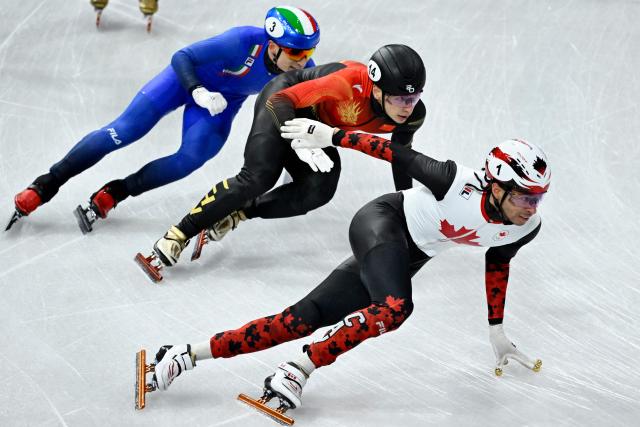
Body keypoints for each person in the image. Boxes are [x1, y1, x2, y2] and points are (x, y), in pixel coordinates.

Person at [142, 131, 550, 413]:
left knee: (298, 320)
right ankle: (300, 368)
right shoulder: (453, 181)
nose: (532, 207)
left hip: (406, 256)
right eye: (525, 196)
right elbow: (393, 152)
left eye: (539, 197)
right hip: (381, 222)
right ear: (496, 186)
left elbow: (498, 264)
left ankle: (184, 354)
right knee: (394, 308)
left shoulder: (527, 226)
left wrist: (496, 329)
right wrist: (331, 136)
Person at [8, 6, 320, 232]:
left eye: (309, 52)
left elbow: (302, 109)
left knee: (190, 160)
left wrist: (298, 153)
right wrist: (196, 90)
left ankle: (116, 191)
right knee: (123, 131)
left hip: (220, 103)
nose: (304, 61)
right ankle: (46, 184)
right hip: (180, 82)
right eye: (297, 54)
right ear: (274, 45)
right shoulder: (241, 41)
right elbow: (182, 57)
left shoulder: (301, 70)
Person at [143, 44, 428, 271]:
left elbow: (399, 157)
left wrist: (407, 209)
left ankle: (239, 212)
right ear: (376, 90)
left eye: (413, 99)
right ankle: (177, 235)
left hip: (316, 127)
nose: (407, 108)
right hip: (283, 100)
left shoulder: (412, 116)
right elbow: (281, 102)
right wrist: (300, 143)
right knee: (258, 177)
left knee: (320, 188)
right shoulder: (346, 84)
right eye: (400, 99)